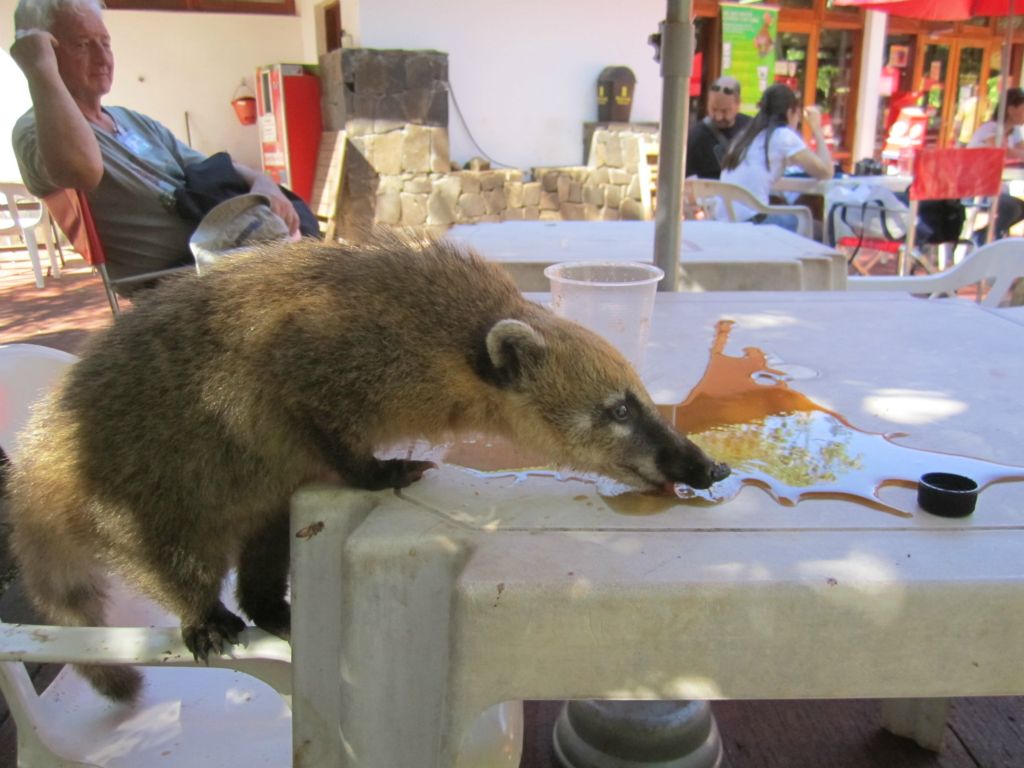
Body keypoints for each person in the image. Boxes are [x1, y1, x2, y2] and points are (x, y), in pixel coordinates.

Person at [9, 0, 312, 291]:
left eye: (106, 43)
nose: (103, 59)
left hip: (231, 252)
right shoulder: (37, 131)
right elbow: (80, 172)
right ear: (46, 51)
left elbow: (215, 169)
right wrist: (40, 71)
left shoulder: (131, 120)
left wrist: (266, 185)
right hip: (182, 278)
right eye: (83, 45)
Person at [719, 83, 833, 232]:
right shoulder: (782, 136)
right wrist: (817, 128)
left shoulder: (745, 136)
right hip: (753, 223)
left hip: (725, 220)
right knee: (818, 229)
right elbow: (826, 172)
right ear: (790, 112)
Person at [966, 87, 1024, 241]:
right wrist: (1015, 152)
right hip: (974, 188)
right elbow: (1002, 151)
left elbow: (1019, 151)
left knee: (1017, 207)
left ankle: (987, 236)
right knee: (1010, 207)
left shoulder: (1015, 131)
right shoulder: (989, 129)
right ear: (1011, 110)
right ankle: (988, 238)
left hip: (996, 186)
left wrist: (1015, 152)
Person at [685, 76, 753, 180]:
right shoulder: (695, 136)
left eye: (725, 111)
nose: (718, 117)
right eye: (713, 109)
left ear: (738, 104)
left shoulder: (751, 128)